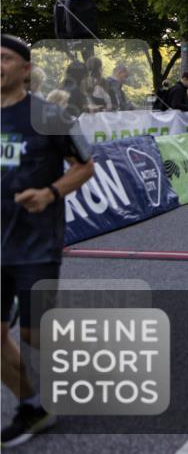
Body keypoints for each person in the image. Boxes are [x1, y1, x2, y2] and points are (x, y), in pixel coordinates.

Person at [1, 35, 94, 447]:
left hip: (37, 242)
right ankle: (32, 407)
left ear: (24, 69)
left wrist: (50, 193)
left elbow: (84, 166)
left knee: (34, 336)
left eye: (3, 58)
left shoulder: (51, 115)